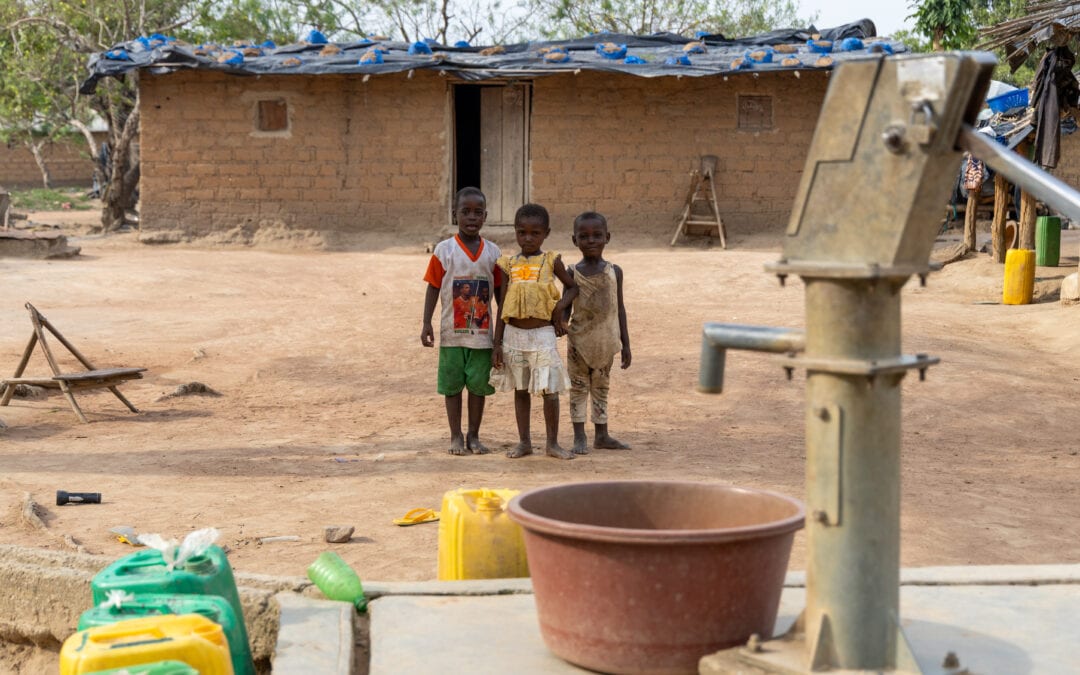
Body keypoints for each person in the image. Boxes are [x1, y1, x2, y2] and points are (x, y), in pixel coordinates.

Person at [490, 203, 578, 460]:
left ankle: (552, 443)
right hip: (514, 336)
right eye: (522, 232)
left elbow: (573, 287)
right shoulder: (508, 265)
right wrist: (497, 344)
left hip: (542, 336)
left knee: (549, 390)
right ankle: (524, 442)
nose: (528, 238)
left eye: (535, 233)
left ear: (546, 234)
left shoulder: (551, 261)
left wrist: (559, 309)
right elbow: (502, 305)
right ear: (515, 232)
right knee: (520, 389)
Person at [421, 187, 502, 456]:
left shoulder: (494, 253)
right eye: (465, 212)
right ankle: (455, 435)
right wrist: (426, 323)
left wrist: (501, 335)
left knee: (478, 387)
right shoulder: (444, 251)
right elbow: (433, 286)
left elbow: (501, 294)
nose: (472, 217)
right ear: (455, 214)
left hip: (482, 337)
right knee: (452, 387)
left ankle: (474, 436)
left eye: (478, 212)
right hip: (451, 336)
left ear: (485, 216)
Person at [565, 212, 631, 454]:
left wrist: (626, 344)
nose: (591, 240)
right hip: (578, 343)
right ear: (575, 240)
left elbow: (619, 308)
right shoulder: (572, 272)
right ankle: (579, 436)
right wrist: (560, 324)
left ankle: (602, 435)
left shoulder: (615, 272)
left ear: (607, 237)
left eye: (597, 235)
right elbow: (566, 304)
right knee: (578, 388)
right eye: (584, 236)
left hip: (605, 342)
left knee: (601, 388)